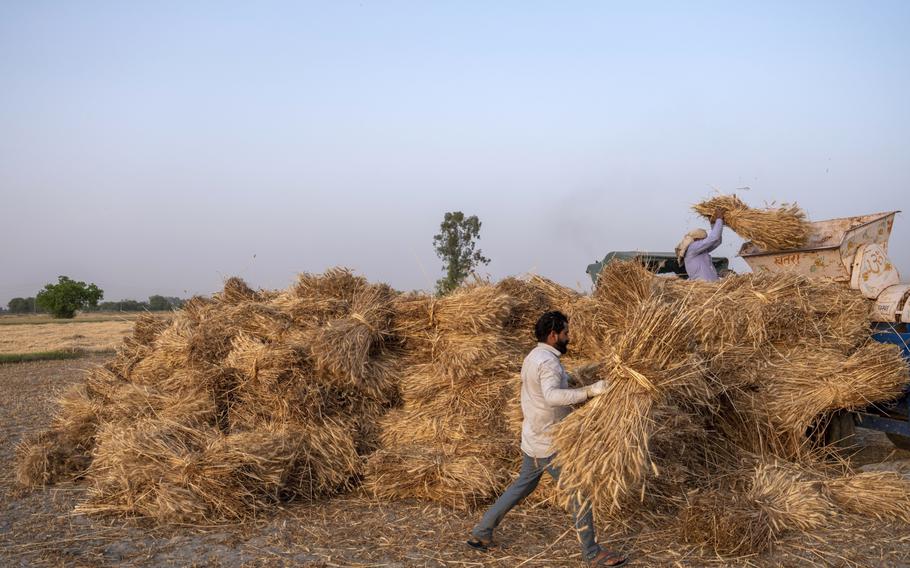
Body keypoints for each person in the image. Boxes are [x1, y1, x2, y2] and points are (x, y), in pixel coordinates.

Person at [466, 311, 628, 567]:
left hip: (533, 437)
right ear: (553, 335)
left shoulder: (534, 356)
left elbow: (543, 392)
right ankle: (592, 552)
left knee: (523, 486)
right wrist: (589, 391)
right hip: (549, 443)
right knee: (580, 491)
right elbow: (552, 396)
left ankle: (482, 532)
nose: (568, 338)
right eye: (565, 333)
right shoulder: (548, 362)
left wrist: (572, 382)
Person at [676, 208, 726, 281]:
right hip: (704, 287)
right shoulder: (692, 248)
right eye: (703, 239)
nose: (704, 241)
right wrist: (719, 219)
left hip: (712, 287)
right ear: (697, 239)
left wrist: (713, 224)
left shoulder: (701, 250)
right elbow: (713, 238)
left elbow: (717, 241)